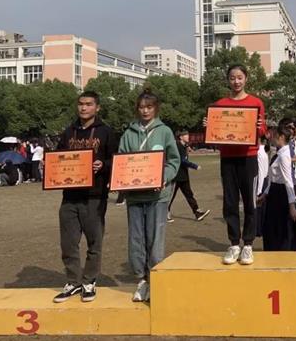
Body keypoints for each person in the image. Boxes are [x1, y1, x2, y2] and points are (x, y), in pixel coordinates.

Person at [53, 91, 118, 304]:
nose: (84, 108)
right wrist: (49, 164)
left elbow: (116, 160)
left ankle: (89, 281)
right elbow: (58, 157)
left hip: (95, 196)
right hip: (70, 195)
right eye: (81, 104)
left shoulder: (106, 132)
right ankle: (73, 281)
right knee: (68, 242)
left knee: (94, 241)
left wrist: (103, 165)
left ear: (97, 108)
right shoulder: (68, 132)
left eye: (89, 104)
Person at [119, 90, 180, 302]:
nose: (145, 111)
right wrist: (120, 180)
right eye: (141, 107)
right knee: (136, 240)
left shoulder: (164, 132)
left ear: (156, 108)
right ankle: (141, 280)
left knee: (155, 239)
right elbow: (122, 162)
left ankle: (155, 280)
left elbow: (174, 160)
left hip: (158, 197)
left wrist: (165, 177)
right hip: (135, 197)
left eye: (149, 107)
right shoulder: (128, 134)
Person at [205, 64, 267, 265]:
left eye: (240, 77)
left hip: (248, 157)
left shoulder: (256, 102)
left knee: (250, 201)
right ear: (228, 80)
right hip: (228, 158)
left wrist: (259, 127)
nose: (236, 81)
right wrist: (209, 126)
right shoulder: (220, 104)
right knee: (230, 202)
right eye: (232, 78)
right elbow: (215, 133)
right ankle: (233, 244)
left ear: (246, 78)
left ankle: (248, 244)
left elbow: (263, 131)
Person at [259, 125, 296, 251]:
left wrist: (292, 206)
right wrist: (265, 194)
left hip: (281, 195)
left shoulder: (284, 155)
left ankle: (283, 249)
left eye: (274, 136)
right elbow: (273, 178)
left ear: (281, 137)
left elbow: (288, 181)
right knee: (273, 226)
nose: (271, 138)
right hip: (274, 192)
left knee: (282, 226)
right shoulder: (279, 153)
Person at [167, 130, 210, 223]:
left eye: (188, 135)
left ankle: (197, 213)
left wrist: (187, 147)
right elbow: (182, 160)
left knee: (189, 194)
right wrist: (194, 166)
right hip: (176, 175)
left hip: (183, 175)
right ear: (180, 137)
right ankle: (165, 213)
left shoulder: (184, 145)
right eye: (185, 135)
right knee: (170, 196)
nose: (188, 136)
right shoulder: (177, 146)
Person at [255, 135, 271, 238]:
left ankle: (258, 230)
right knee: (262, 208)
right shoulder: (263, 152)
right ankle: (261, 229)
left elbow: (260, 172)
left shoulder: (259, 153)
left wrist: (258, 191)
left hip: (261, 182)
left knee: (258, 208)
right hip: (264, 181)